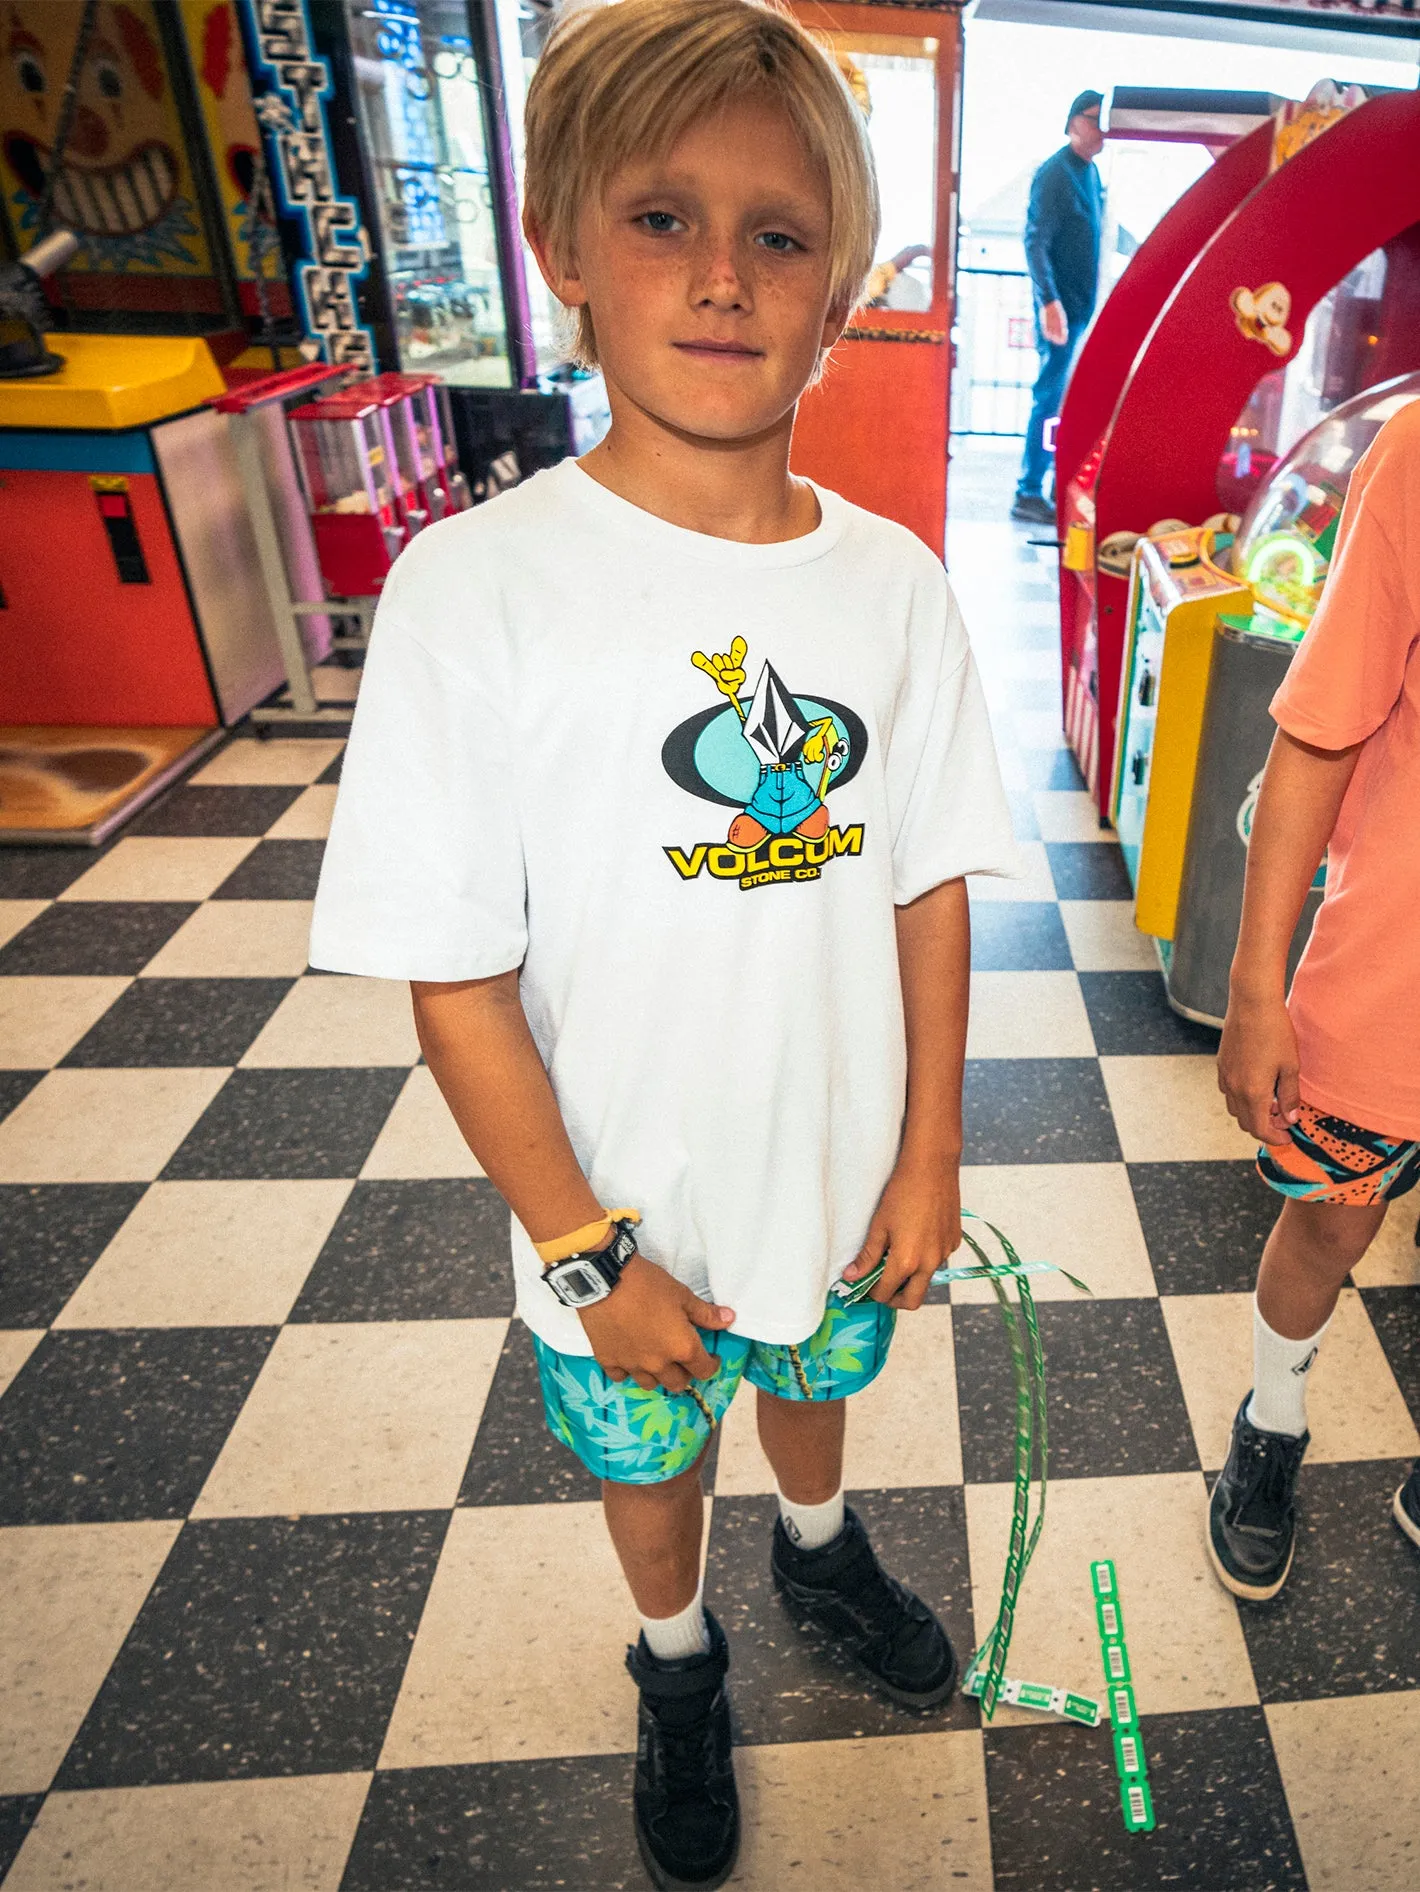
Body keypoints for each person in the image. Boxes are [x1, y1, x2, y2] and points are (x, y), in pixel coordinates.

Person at [309, 4, 1017, 1887]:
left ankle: (817, 1543)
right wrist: (585, 1242)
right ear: (562, 248)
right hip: (609, 1200)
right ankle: (679, 1656)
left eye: (779, 235)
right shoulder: (474, 588)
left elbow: (930, 876)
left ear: (840, 286)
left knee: (811, 1369)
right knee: (647, 1455)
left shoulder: (891, 585)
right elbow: (450, 973)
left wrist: (930, 1144)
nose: (722, 277)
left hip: (835, 1161)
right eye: (661, 219)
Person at [1210, 395, 1420, 1602]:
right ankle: (1270, 1422)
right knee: (1333, 1221)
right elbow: (1317, 729)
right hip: (1395, 972)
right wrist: (1255, 983)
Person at [1011, 89, 1104, 525]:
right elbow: (1035, 241)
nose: (1101, 127)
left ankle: (1053, 483)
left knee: (1066, 401)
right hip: (1060, 310)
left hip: (1080, 308)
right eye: (1093, 118)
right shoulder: (1055, 174)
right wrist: (1050, 302)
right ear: (1073, 123)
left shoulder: (1091, 173)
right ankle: (1029, 490)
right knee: (1049, 397)